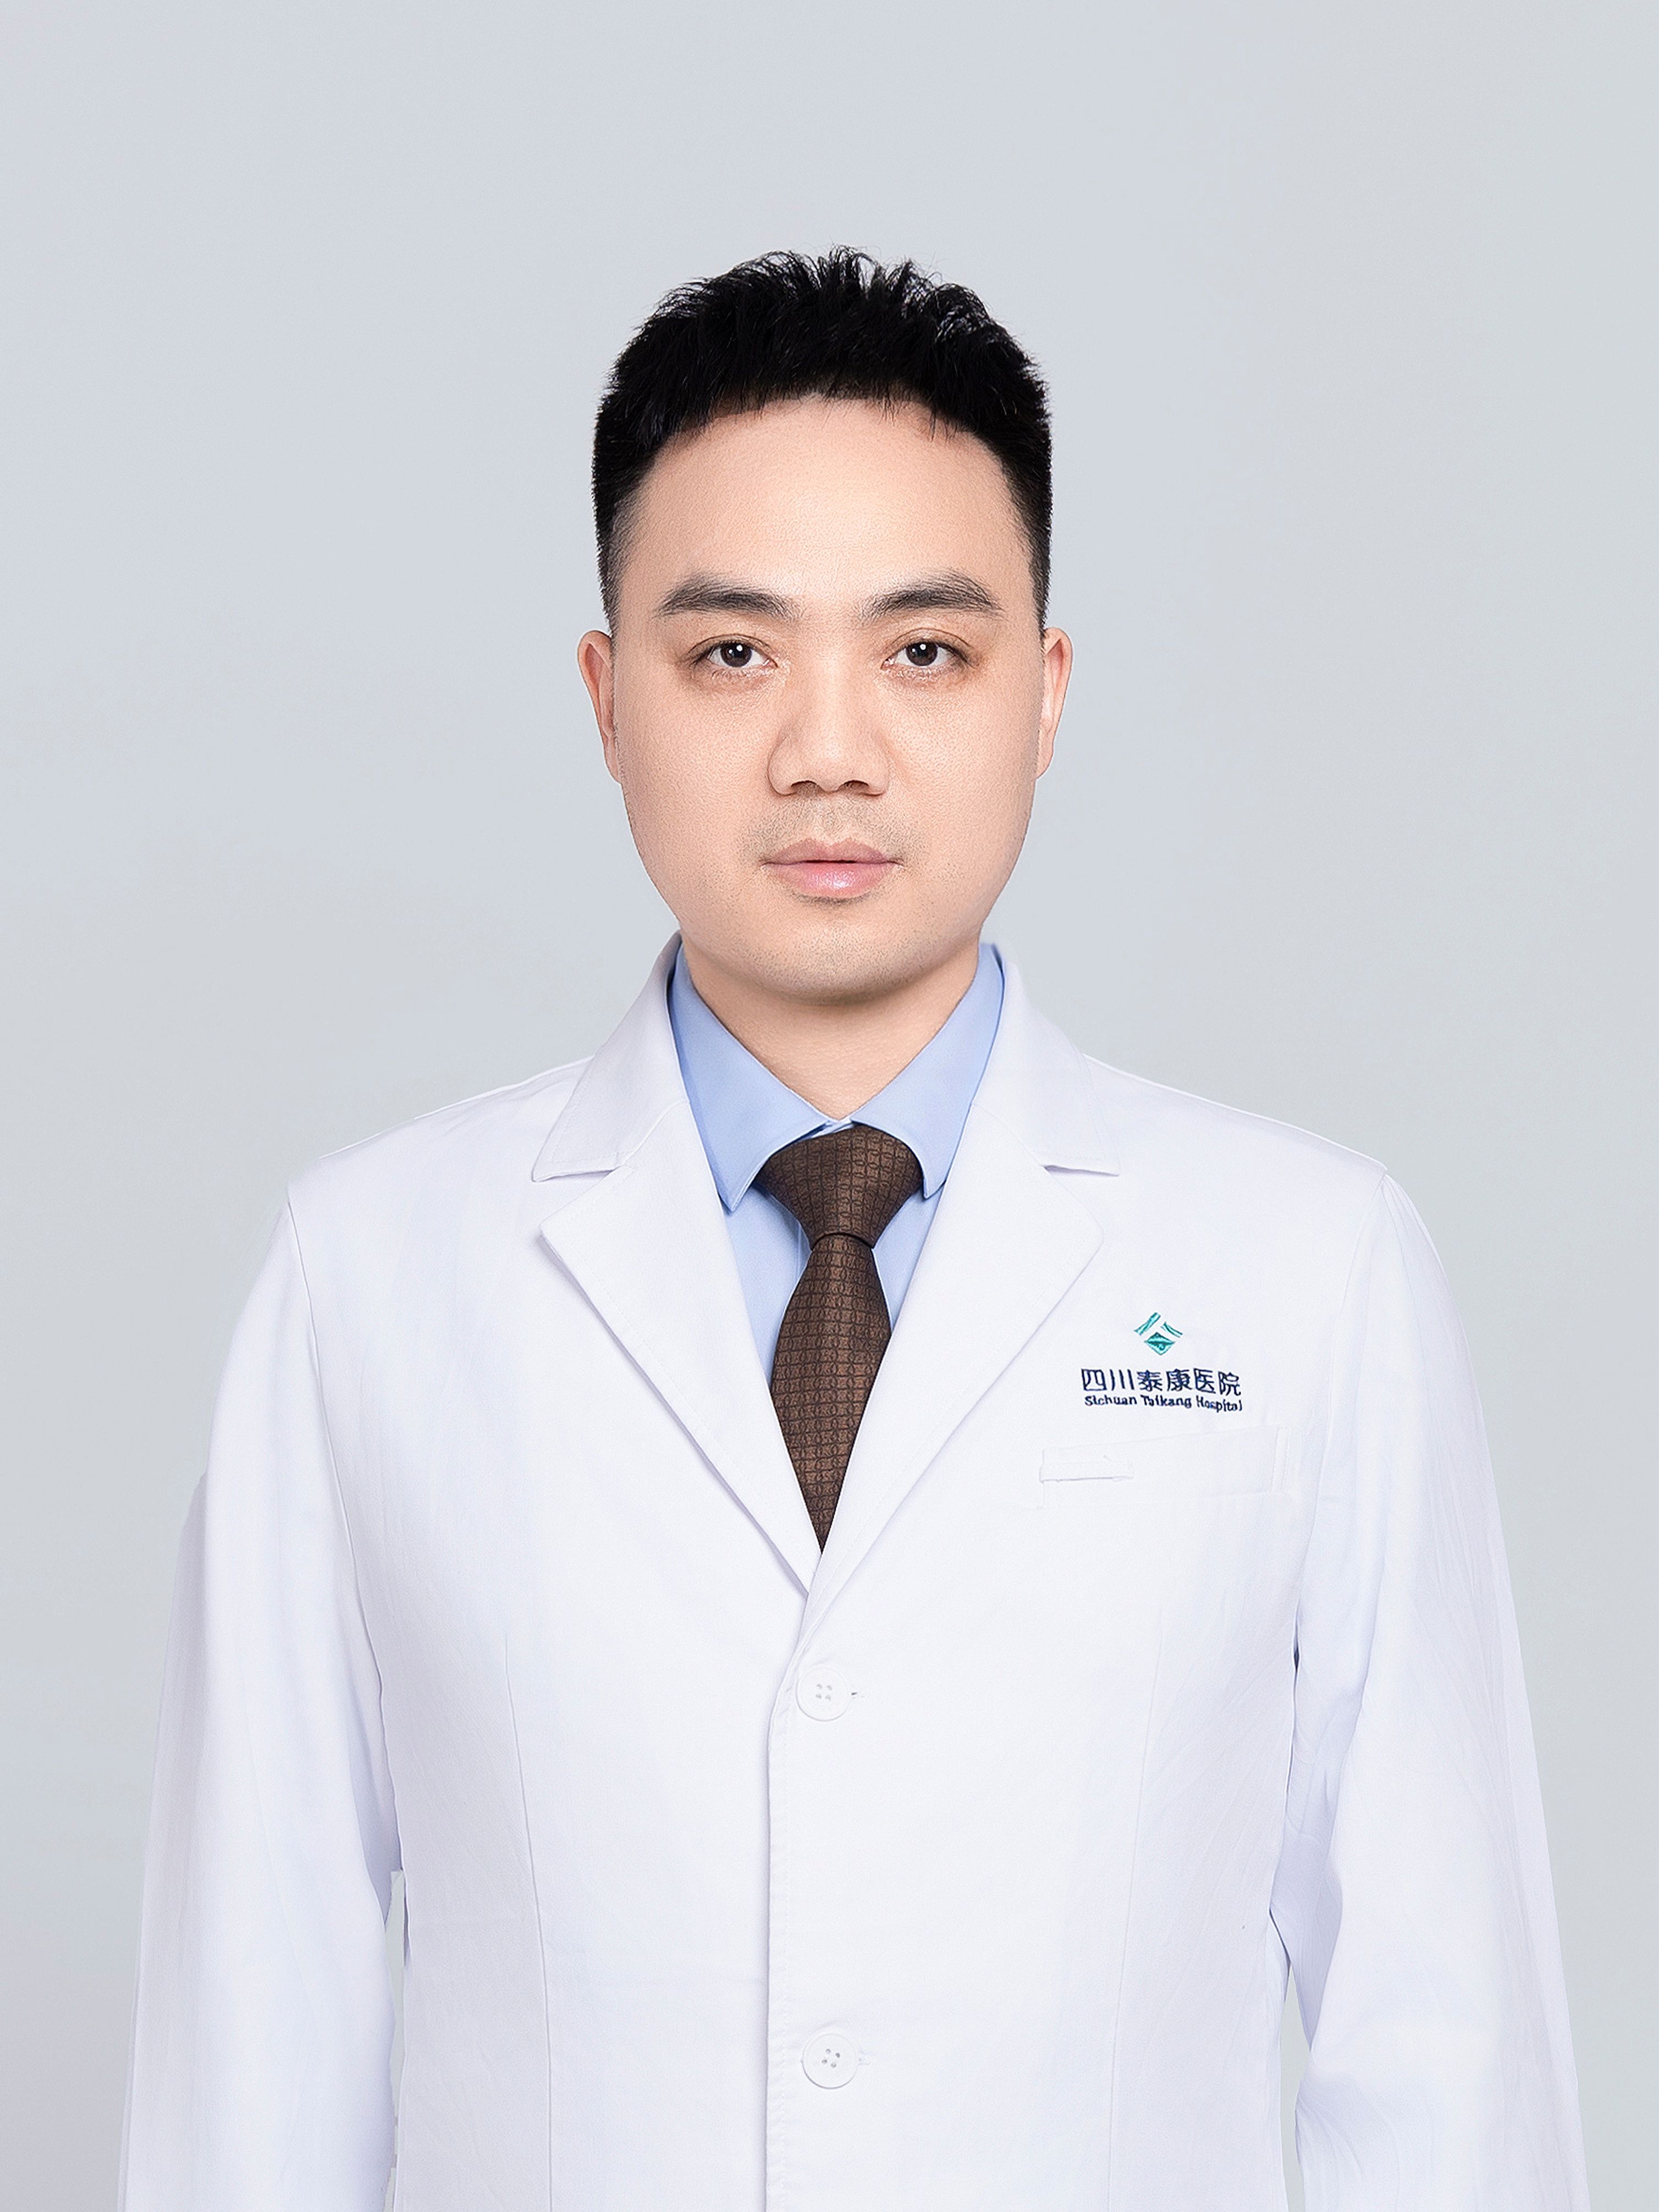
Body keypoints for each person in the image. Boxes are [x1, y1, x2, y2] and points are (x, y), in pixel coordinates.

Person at [119, 250, 1589, 2211]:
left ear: (1044, 695)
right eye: (733, 654)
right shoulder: (370, 1277)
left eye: (924, 653)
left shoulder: (1311, 1270)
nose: (827, 751)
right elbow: (255, 2045)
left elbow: (1447, 2051)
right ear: (607, 700)